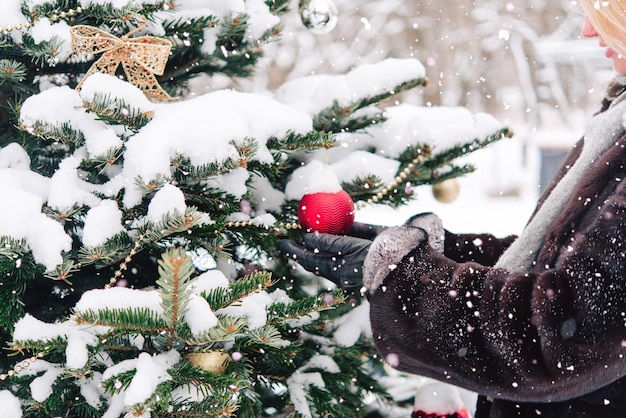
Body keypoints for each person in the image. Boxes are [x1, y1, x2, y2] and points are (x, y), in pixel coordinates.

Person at [277, 2, 626, 417]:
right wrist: (439, 253)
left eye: (603, 12)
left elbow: (568, 333)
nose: (588, 31)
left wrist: (403, 275)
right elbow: (563, 266)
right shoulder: (616, 120)